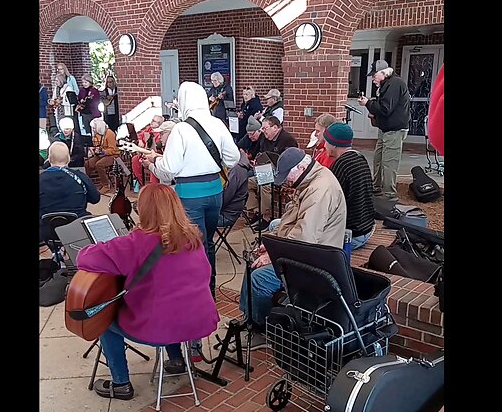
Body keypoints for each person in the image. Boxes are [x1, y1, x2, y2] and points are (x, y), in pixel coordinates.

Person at [76, 184, 220, 400]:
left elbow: (83, 257)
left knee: (104, 321)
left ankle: (120, 384)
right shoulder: (194, 237)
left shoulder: (135, 243)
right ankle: (176, 359)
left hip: (161, 326)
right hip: (198, 321)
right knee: (169, 302)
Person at [143, 81, 240, 300]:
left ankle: (198, 295)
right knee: (208, 243)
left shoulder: (181, 129)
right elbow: (233, 158)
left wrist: (151, 164)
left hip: (189, 195)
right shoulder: (217, 124)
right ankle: (210, 291)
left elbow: (169, 170)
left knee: (194, 245)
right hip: (216, 192)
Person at [240, 147, 347, 327]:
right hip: (309, 251)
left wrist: (273, 256)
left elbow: (304, 238)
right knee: (254, 261)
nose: (286, 182)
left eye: (287, 176)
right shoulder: (308, 180)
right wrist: (271, 245)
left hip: (317, 261)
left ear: (301, 168)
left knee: (258, 278)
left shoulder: (319, 191)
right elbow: (290, 221)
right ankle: (248, 317)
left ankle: (260, 328)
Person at [357, 59, 411, 201]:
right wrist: (371, 106)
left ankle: (389, 197)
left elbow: (385, 109)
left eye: (374, 75)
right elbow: (384, 107)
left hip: (394, 131)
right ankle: (376, 188)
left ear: (383, 73)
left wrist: (368, 103)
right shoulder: (387, 84)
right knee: (378, 160)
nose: (373, 78)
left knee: (389, 163)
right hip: (385, 130)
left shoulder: (395, 84)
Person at [325, 123, 375, 249]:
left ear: (334, 144)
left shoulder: (340, 166)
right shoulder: (360, 158)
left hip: (350, 236)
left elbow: (328, 206)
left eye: (326, 142)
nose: (325, 145)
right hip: (366, 229)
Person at [39, 142, 100, 240]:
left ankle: (56, 253)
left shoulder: (40, 179)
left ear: (49, 159)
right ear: (68, 158)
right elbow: (95, 199)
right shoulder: (80, 177)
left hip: (47, 231)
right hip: (77, 228)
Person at [84, 118, 123, 192]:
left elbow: (113, 149)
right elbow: (97, 145)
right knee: (87, 163)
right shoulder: (96, 134)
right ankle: (87, 183)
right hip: (101, 154)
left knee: (99, 164)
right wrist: (94, 150)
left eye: (94, 128)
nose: (93, 129)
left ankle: (106, 185)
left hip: (113, 155)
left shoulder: (109, 133)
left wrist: (103, 151)